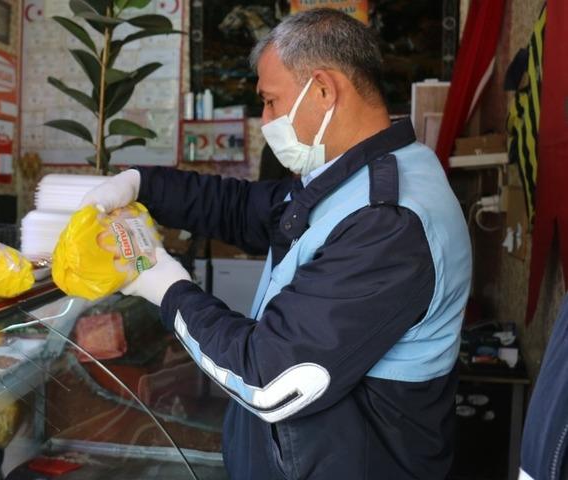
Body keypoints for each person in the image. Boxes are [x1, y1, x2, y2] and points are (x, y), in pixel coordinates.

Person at [80, 9, 471, 480]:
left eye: (270, 102)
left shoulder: (389, 221)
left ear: (324, 91)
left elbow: (272, 379)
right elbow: (241, 207)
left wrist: (165, 288)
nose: (264, 120)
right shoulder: (353, 177)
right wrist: (141, 184)